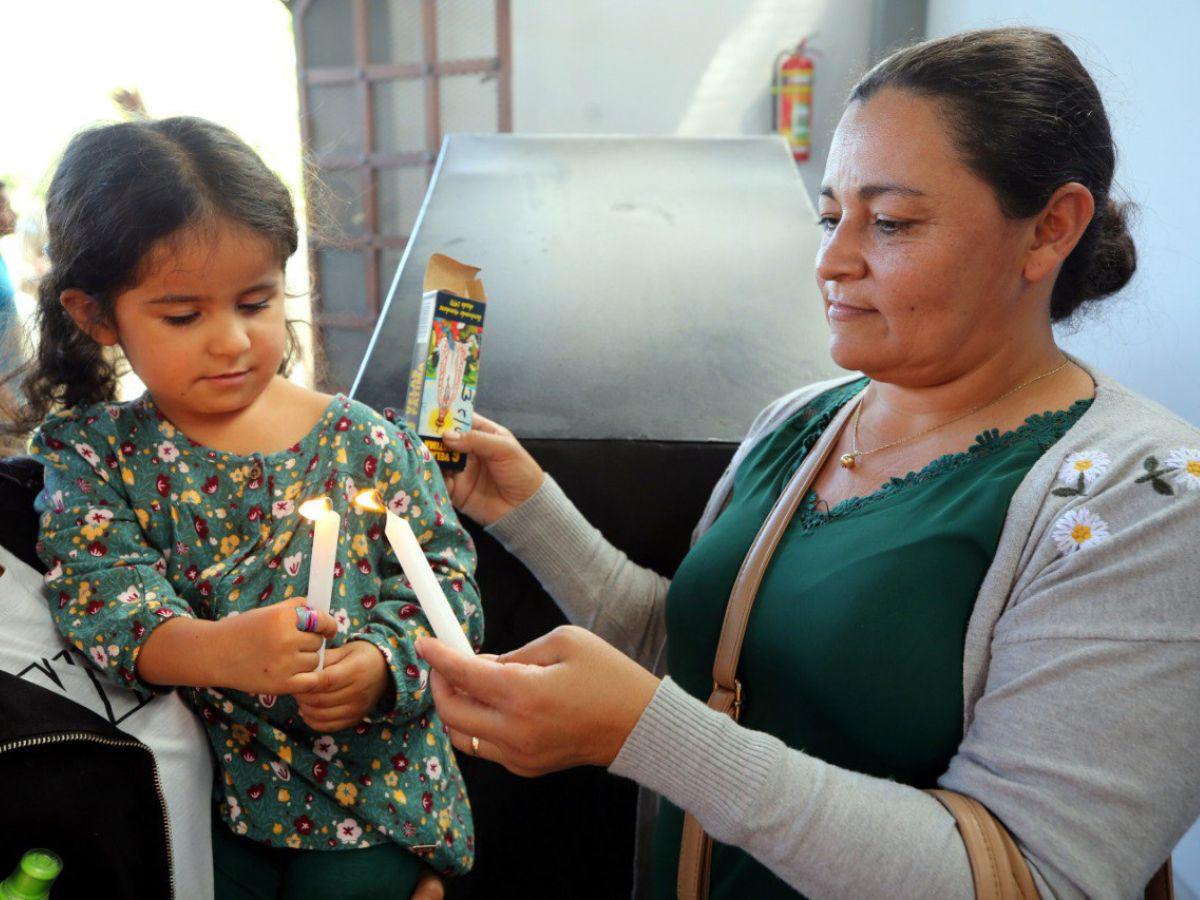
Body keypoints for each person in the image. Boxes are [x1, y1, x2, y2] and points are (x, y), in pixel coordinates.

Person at [416, 28, 1200, 899]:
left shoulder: (1145, 497)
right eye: (830, 217)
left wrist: (645, 735)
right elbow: (700, 663)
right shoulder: (799, 423)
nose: (831, 260)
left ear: (1050, 229)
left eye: (891, 222)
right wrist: (525, 507)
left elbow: (1033, 879)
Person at [15, 117, 480, 899]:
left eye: (256, 301)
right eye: (184, 315)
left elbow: (444, 586)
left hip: (374, 803)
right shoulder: (96, 456)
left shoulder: (367, 443)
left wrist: (378, 665)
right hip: (202, 803)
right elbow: (101, 595)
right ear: (96, 316)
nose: (232, 341)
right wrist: (218, 652)